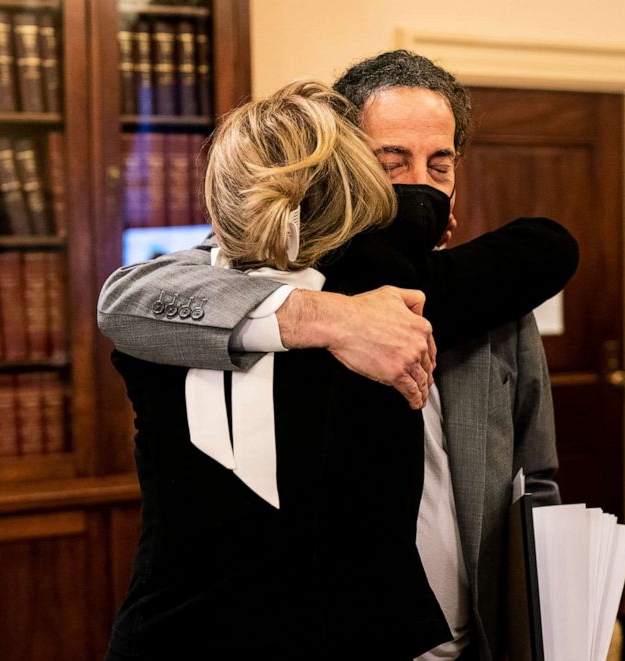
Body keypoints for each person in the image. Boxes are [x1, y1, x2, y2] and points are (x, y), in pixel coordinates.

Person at [100, 53, 571, 661]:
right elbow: (124, 298)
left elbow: (533, 477)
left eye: (440, 164)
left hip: (465, 638)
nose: (419, 187)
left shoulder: (488, 298)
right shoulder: (205, 289)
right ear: (341, 169)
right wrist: (334, 318)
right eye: (390, 162)